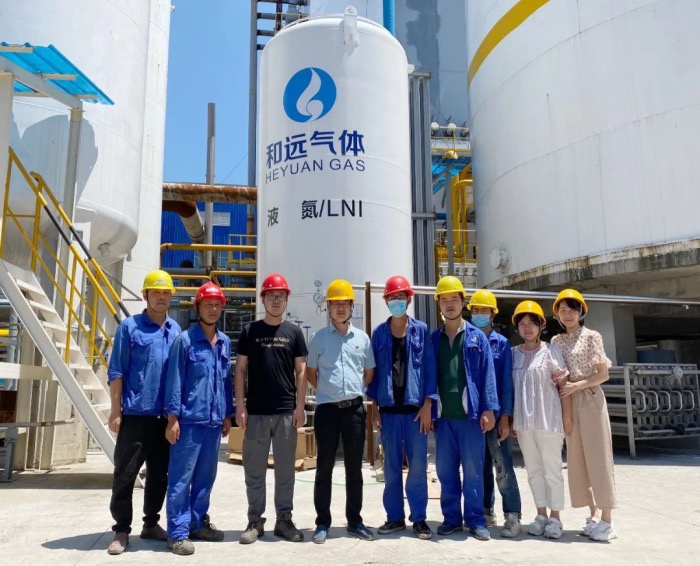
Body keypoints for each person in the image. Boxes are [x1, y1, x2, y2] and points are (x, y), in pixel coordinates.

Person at [106, 270, 181, 555]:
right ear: (145, 295)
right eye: (156, 292)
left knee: (160, 475)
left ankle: (151, 523)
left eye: (166, 293)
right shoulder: (130, 327)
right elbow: (117, 371)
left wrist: (175, 417)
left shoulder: (176, 330)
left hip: (165, 418)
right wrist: (116, 411)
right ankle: (122, 529)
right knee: (125, 474)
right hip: (136, 416)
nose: (161, 297)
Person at [235, 273, 308, 544]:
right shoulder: (249, 331)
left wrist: (300, 407)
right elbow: (240, 369)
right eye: (271, 295)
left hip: (286, 412)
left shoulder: (294, 333)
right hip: (256, 412)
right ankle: (255, 520)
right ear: (263, 299)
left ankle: (284, 520)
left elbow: (301, 371)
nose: (276, 300)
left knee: (285, 470)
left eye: (281, 296)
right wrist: (240, 406)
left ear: (286, 300)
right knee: (254, 470)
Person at [164, 282, 233, 555]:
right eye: (208, 305)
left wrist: (227, 414)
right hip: (189, 422)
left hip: (214, 423)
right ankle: (177, 533)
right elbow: (175, 380)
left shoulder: (225, 342)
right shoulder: (184, 341)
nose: (213, 309)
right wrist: (172, 419)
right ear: (198, 308)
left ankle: (197, 523)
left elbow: (226, 381)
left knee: (205, 478)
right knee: (181, 479)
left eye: (217, 305)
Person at [306, 279, 376, 544]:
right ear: (328, 307)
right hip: (327, 410)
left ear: (351, 307)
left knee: (354, 468)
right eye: (335, 303)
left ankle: (355, 521)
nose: (340, 308)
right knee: (324, 467)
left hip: (354, 410)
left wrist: (350, 392)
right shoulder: (319, 339)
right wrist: (330, 392)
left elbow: (368, 373)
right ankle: (322, 522)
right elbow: (311, 374)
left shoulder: (362, 339)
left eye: (344, 303)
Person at [368, 276, 436, 540]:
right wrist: (374, 407)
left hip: (415, 412)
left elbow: (430, 368)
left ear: (409, 300)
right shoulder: (379, 333)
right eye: (393, 298)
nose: (397, 302)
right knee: (391, 468)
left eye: (401, 298)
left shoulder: (421, 330)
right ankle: (394, 517)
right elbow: (374, 373)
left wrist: (428, 403)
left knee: (418, 468)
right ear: (386, 301)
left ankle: (419, 519)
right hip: (388, 412)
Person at [431, 276, 498, 541]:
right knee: (445, 471)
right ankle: (451, 519)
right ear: (439, 304)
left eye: (454, 299)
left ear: (462, 302)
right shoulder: (433, 338)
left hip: (470, 417)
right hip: (443, 417)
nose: (449, 304)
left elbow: (488, 374)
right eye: (444, 300)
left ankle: (476, 519)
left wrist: (488, 408)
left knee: (473, 471)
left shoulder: (476, 338)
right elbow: (427, 376)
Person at [551, 289, 618, 542]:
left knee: (599, 458)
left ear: (581, 312)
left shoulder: (592, 336)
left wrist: (577, 386)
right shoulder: (557, 341)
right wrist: (566, 411)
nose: (568, 315)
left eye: (572, 309)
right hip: (568, 401)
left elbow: (603, 374)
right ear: (557, 314)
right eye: (563, 310)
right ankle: (593, 515)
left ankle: (608, 520)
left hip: (589, 397)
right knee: (577, 459)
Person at [511, 300, 569, 540]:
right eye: (522, 324)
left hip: (549, 421)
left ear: (541, 326)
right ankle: (541, 514)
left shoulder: (551, 351)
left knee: (552, 470)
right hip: (523, 423)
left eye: (532, 323)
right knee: (533, 470)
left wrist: (567, 418)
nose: (527, 328)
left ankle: (555, 517)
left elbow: (563, 387)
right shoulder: (513, 354)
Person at [467, 289, 522, 537]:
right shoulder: (467, 340)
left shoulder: (501, 343)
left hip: (497, 416)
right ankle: (485, 510)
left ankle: (512, 514)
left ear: (492, 315)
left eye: (484, 310)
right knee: (479, 467)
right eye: (476, 310)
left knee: (503, 466)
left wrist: (506, 417)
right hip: (472, 416)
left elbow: (506, 383)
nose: (479, 314)